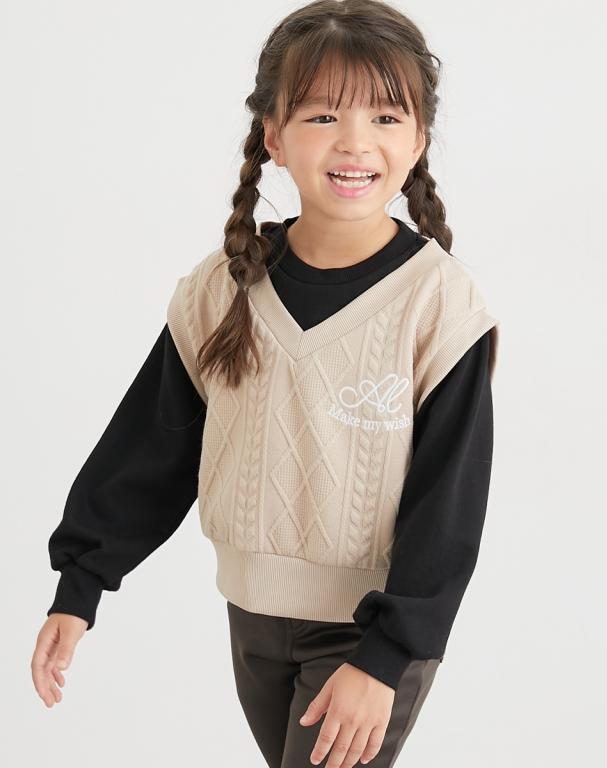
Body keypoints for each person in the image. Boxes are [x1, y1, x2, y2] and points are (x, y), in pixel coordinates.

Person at [31, 1, 500, 766]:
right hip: (251, 619)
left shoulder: (439, 304)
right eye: (323, 115)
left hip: (371, 632)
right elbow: (149, 448)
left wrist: (387, 655)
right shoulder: (224, 288)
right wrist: (80, 586)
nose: (355, 142)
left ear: (419, 139)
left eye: (386, 117)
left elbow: (449, 502)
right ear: (273, 134)